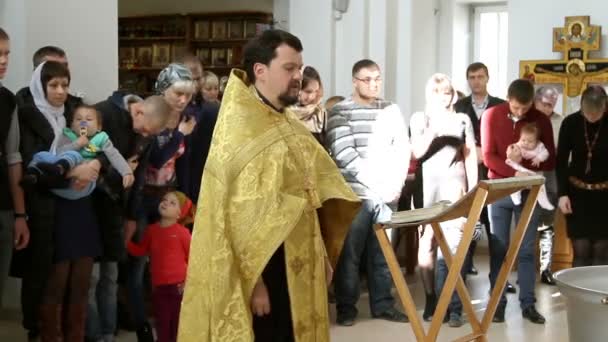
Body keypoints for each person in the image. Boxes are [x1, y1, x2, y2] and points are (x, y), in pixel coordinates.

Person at [178, 29, 360, 342]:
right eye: (289, 68)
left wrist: (322, 255)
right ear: (260, 71)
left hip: (300, 260)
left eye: (300, 69)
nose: (298, 77)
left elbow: (313, 190)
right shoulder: (239, 129)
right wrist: (255, 282)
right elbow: (233, 219)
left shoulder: (285, 120)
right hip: (265, 270)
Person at [16, 60, 102, 342]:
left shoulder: (73, 113)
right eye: (53, 85)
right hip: (51, 209)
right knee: (55, 282)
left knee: (82, 281)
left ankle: (76, 336)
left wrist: (96, 166)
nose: (60, 91)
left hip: (82, 206)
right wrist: (71, 173)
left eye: (64, 84)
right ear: (40, 86)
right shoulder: (28, 116)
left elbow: (99, 143)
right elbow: (32, 169)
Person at [327, 59, 410, 326]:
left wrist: (396, 183)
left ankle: (383, 304)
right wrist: (379, 185)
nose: (373, 84)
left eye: (377, 79)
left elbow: (402, 149)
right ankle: (347, 307)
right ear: (354, 81)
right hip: (355, 195)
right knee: (349, 255)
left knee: (383, 254)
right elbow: (344, 154)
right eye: (367, 79)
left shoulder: (391, 109)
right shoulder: (340, 111)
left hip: (387, 195)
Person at [86, 93, 171, 342]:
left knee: (110, 275)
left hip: (117, 210)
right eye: (145, 130)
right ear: (139, 111)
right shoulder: (102, 113)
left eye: (150, 134)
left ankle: (107, 333)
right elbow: (86, 161)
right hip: (89, 206)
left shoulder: (147, 133)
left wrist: (132, 215)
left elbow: (140, 175)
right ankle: (93, 334)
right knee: (90, 278)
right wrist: (119, 168)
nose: (144, 136)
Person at [128, 63, 196, 342]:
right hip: (145, 197)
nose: (182, 100)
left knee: (172, 263)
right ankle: (141, 322)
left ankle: (171, 320)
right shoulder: (153, 116)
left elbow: (182, 163)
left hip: (169, 195)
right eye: (177, 93)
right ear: (162, 89)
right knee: (139, 264)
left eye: (188, 95)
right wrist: (180, 134)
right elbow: (155, 159)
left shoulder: (187, 119)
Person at [481, 78, 555, 324]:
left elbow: (550, 158)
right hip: (499, 191)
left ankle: (528, 305)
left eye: (525, 109)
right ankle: (498, 304)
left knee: (525, 251)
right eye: (516, 108)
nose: (521, 113)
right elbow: (488, 156)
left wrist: (527, 163)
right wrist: (513, 169)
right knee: (498, 249)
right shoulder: (492, 115)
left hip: (528, 192)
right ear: (508, 99)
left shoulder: (540, 119)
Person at [410, 73, 477, 327]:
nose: (443, 97)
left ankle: (454, 306)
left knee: (454, 247)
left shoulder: (462, 119)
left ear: (453, 94)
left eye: (447, 92)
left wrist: (473, 190)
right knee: (427, 243)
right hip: (427, 188)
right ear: (430, 94)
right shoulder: (420, 118)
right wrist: (434, 129)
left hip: (454, 186)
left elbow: (469, 155)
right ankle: (431, 298)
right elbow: (416, 152)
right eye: (438, 92)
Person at [454, 62, 506, 278]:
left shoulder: (500, 106)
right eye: (472, 77)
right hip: (467, 178)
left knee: (495, 232)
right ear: (468, 80)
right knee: (470, 229)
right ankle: (463, 274)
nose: (476, 81)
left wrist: (485, 152)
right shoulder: (458, 106)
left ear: (487, 78)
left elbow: (504, 140)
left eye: (480, 76)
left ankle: (498, 278)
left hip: (493, 175)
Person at [21, 105, 135, 199]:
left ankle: (54, 173)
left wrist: (126, 172)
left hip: (80, 184)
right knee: (43, 155)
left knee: (76, 157)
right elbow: (58, 152)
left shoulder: (101, 138)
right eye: (78, 119)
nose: (83, 122)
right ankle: (33, 174)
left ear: (99, 127)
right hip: (60, 176)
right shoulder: (67, 135)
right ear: (72, 125)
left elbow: (114, 155)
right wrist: (76, 144)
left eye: (89, 119)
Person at [127, 191, 193, 342]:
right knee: (162, 325)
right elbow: (141, 250)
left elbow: (193, 260)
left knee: (177, 327)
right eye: (164, 199)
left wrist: (188, 283)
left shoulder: (183, 233)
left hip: (179, 289)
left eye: (172, 203)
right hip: (159, 289)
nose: (165, 203)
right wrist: (127, 240)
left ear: (179, 213)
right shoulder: (151, 230)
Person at [556, 85, 608, 267]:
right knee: (581, 250)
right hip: (577, 195)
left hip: (605, 197)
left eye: (596, 114)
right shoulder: (571, 123)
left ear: (605, 107)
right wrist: (562, 194)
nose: (591, 118)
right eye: (587, 113)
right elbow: (561, 161)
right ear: (581, 107)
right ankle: (577, 296)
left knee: (602, 252)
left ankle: (601, 296)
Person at [0, 27, 30, 310]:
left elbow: (13, 158)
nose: (3, 60)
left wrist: (20, 214)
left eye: (6, 53)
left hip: (3, 208)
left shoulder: (8, 100)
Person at [534, 86, 563, 285]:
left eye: (551, 105)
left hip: (550, 178)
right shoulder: (527, 119)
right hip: (527, 178)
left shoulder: (560, 122)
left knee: (546, 227)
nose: (548, 108)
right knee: (524, 228)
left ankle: (546, 269)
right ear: (536, 101)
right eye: (545, 104)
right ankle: (524, 268)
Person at [505, 123, 555, 210]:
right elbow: (511, 150)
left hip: (533, 172)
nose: (526, 143)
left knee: (540, 183)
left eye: (530, 141)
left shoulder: (540, 146)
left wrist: (539, 158)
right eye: (523, 140)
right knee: (516, 180)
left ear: (537, 141)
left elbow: (546, 153)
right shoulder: (519, 145)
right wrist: (513, 154)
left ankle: (544, 202)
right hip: (520, 169)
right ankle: (515, 197)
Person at [290, 66, 327, 145]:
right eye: (308, 91)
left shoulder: (320, 113)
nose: (312, 96)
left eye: (316, 91)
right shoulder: (282, 113)